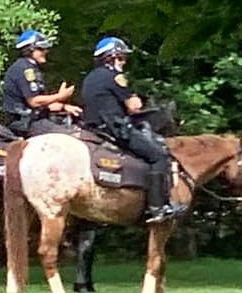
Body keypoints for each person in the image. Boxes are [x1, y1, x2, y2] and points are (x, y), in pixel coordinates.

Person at [79, 36, 186, 223]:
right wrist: (137, 98)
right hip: (116, 128)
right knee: (158, 156)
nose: (124, 62)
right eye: (121, 58)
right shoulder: (115, 77)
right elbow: (134, 106)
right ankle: (157, 208)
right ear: (111, 57)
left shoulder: (89, 78)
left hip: (93, 129)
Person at [0, 29, 81, 136]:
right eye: (41, 48)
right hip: (23, 123)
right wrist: (59, 96)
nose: (45, 51)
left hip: (32, 120)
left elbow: (42, 104)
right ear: (30, 49)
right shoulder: (24, 69)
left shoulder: (31, 68)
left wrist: (64, 107)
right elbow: (34, 101)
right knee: (72, 135)